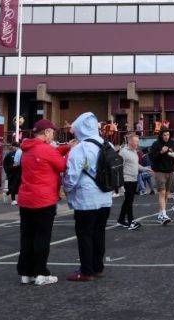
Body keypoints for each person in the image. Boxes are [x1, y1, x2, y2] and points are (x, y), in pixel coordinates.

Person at [17, 119, 70, 286]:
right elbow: (62, 165)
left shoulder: (27, 148)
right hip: (44, 199)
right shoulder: (47, 150)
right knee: (42, 237)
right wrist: (70, 150)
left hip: (26, 198)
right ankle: (41, 272)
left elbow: (50, 154)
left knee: (27, 236)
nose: (53, 134)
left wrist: (65, 147)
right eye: (52, 132)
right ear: (46, 132)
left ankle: (26, 272)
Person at [62, 112, 113, 281]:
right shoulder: (108, 144)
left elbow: (72, 175)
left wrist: (66, 189)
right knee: (99, 233)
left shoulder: (81, 148)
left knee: (84, 234)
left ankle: (86, 271)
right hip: (105, 196)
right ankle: (98, 267)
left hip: (86, 198)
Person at [148, 127, 174, 225]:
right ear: (161, 135)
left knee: (167, 194)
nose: (166, 137)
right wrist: (161, 152)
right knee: (162, 192)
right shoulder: (156, 144)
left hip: (170, 171)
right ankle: (164, 214)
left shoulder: (173, 143)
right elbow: (151, 157)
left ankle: (160, 214)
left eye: (168, 135)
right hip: (159, 171)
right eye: (164, 135)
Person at [118, 133, 148, 229]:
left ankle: (121, 220)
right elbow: (119, 167)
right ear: (130, 141)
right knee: (129, 201)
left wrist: (145, 169)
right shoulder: (123, 152)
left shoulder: (135, 152)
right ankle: (131, 222)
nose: (137, 143)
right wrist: (120, 184)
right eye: (135, 141)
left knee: (128, 201)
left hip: (134, 179)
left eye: (137, 142)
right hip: (127, 180)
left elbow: (136, 165)